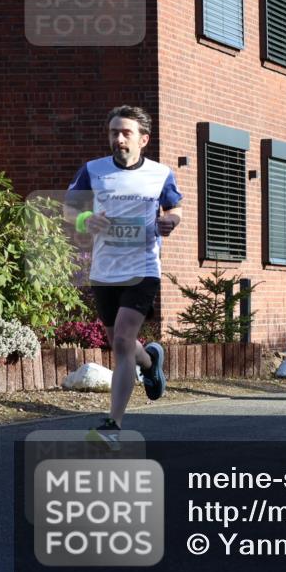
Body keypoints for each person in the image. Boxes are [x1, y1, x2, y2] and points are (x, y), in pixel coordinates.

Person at [67, 106, 183, 449]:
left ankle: (112, 426)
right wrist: (86, 219)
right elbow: (70, 207)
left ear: (143, 140)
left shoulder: (160, 174)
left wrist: (171, 221)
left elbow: (174, 208)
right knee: (119, 340)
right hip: (104, 271)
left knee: (121, 343)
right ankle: (150, 360)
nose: (118, 139)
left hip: (143, 268)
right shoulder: (93, 170)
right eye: (113, 132)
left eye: (125, 133)